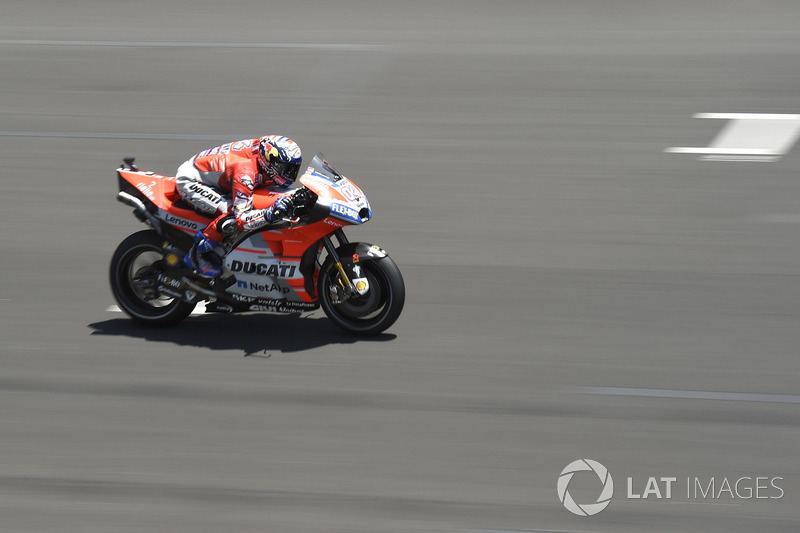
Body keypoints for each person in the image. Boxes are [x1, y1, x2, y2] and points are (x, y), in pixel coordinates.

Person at [175, 135, 302, 277]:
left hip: (217, 177)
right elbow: (242, 220)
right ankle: (196, 256)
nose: (290, 174)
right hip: (192, 181)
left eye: (293, 169)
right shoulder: (246, 173)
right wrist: (270, 213)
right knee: (231, 215)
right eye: (286, 168)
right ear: (270, 162)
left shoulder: (261, 155)